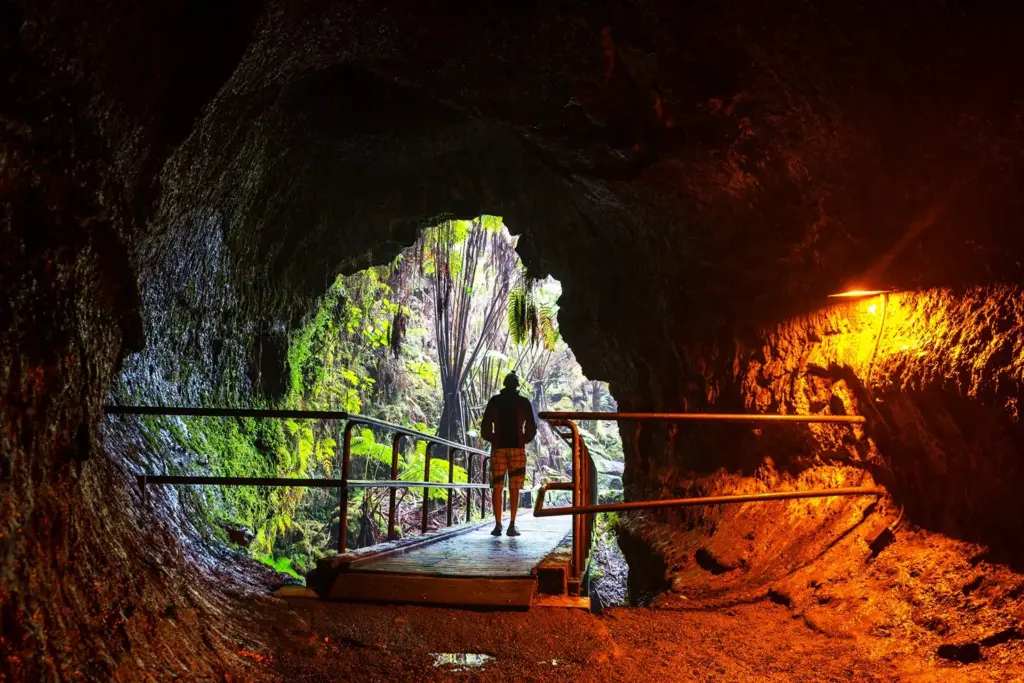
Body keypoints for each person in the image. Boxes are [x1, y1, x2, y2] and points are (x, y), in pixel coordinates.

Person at [480, 372, 537, 536]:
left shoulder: (495, 401)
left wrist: (493, 438)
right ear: (517, 385)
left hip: (498, 448)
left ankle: (498, 525)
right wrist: (523, 439)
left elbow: (485, 427)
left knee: (497, 487)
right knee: (514, 487)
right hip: (517, 449)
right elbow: (531, 428)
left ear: (505, 384)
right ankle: (512, 524)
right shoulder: (523, 402)